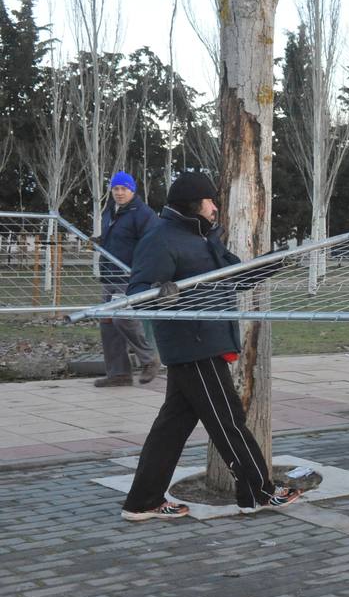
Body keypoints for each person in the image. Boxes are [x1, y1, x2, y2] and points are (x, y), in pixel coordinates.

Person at [119, 171, 302, 521]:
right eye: (210, 201)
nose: (215, 207)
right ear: (194, 204)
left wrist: (273, 262)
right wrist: (162, 294)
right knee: (228, 421)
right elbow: (137, 294)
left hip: (210, 339)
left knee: (171, 429)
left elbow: (236, 277)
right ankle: (258, 493)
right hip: (192, 345)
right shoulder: (161, 238)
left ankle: (142, 502)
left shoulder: (203, 238)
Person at [94, 171, 162, 387]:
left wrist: (144, 273)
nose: (120, 193)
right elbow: (118, 239)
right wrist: (100, 241)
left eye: (124, 189)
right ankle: (118, 374)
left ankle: (149, 359)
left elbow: (152, 245)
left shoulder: (143, 214)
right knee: (107, 324)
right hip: (109, 274)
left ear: (133, 190)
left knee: (123, 318)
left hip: (130, 276)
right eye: (116, 189)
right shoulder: (110, 212)